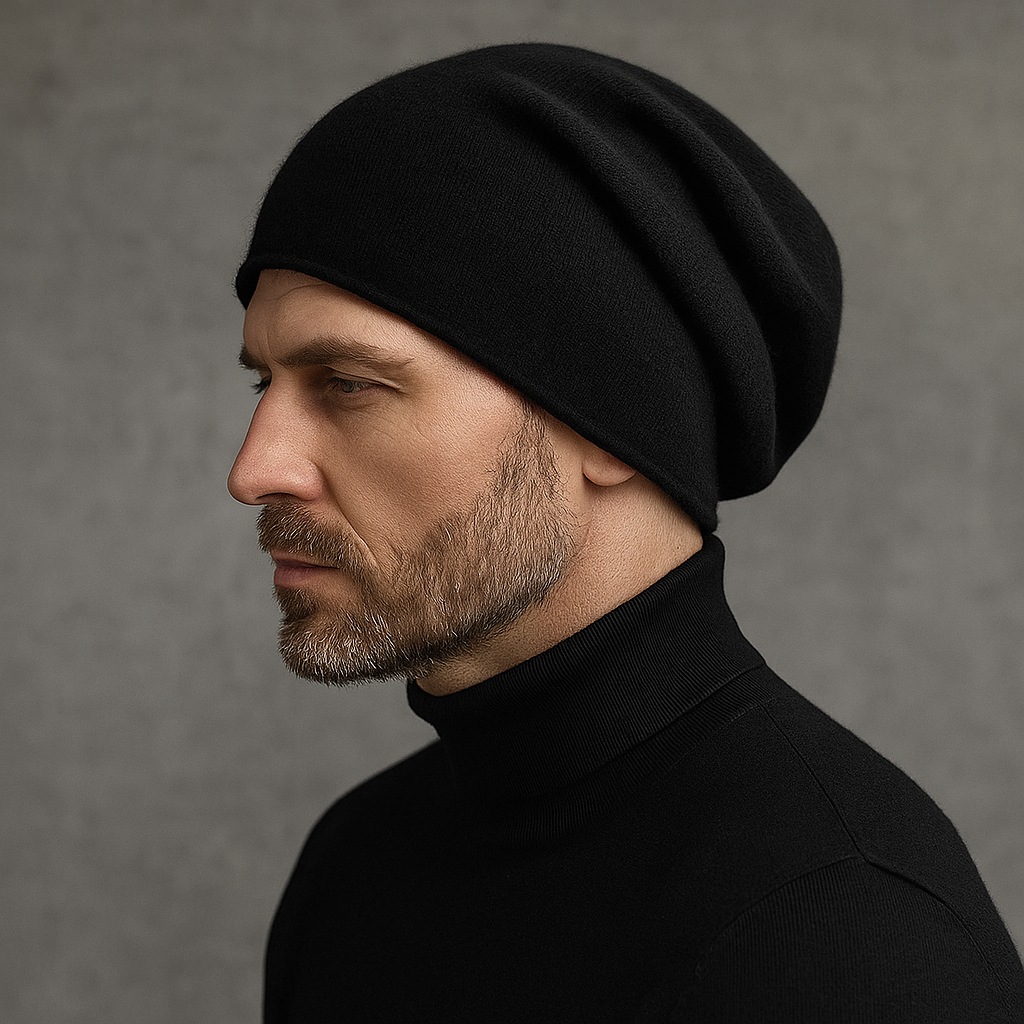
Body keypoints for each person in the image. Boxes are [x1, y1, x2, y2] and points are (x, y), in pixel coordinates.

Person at [228, 43, 1024, 1023]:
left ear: (605, 425)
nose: (254, 469)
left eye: (348, 384)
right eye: (264, 383)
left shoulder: (846, 941)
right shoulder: (358, 863)